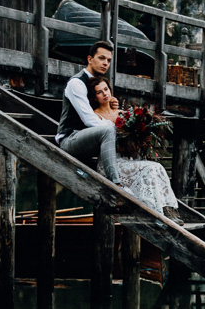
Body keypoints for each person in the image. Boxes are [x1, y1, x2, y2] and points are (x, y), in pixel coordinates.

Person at [86, 77, 179, 215]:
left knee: (157, 167)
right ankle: (155, 211)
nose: (105, 94)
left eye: (106, 89)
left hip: (127, 160)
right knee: (149, 168)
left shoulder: (122, 113)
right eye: (99, 92)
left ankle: (167, 209)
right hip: (110, 163)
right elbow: (101, 143)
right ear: (94, 97)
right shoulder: (94, 117)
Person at [57, 41, 119, 183]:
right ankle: (116, 184)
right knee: (109, 131)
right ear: (90, 59)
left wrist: (111, 104)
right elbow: (89, 120)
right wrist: (115, 127)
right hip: (70, 138)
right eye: (101, 58)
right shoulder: (77, 83)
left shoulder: (99, 83)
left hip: (89, 138)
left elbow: (102, 110)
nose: (105, 63)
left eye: (109, 60)